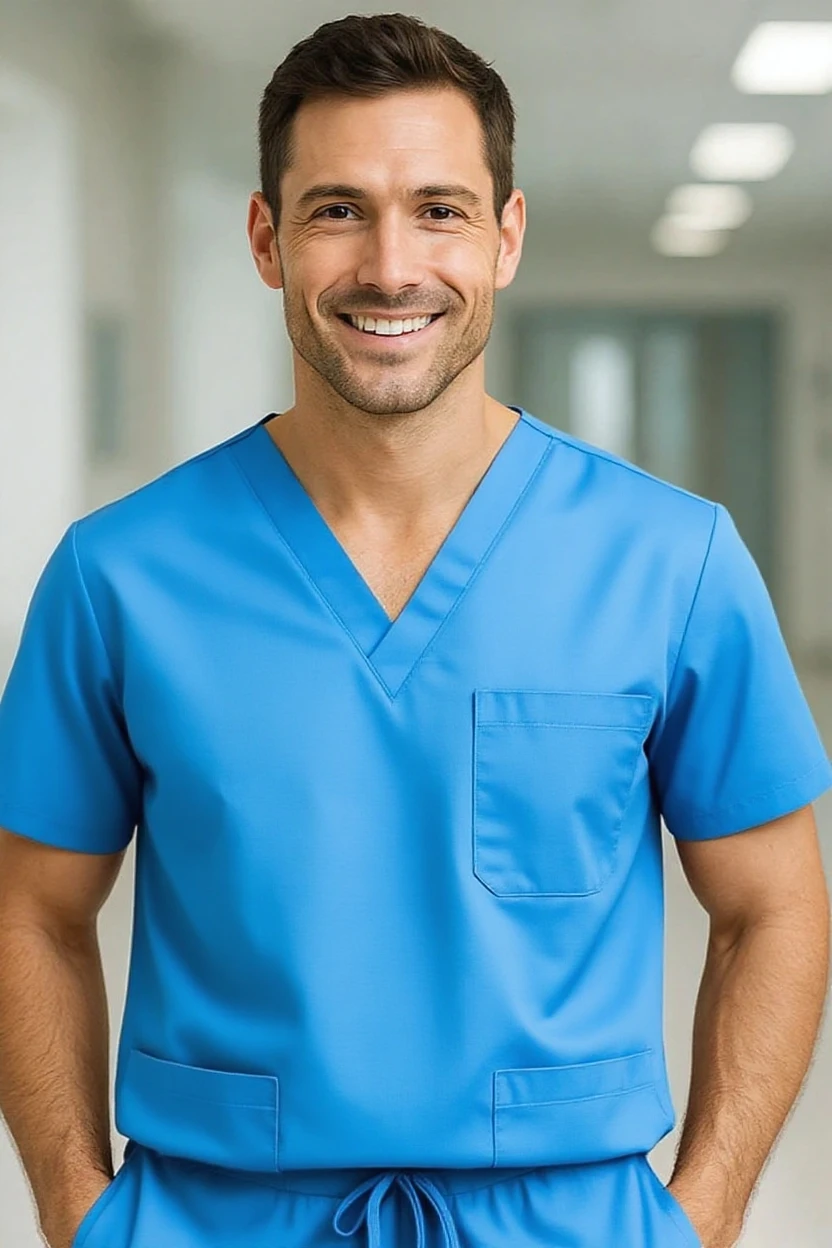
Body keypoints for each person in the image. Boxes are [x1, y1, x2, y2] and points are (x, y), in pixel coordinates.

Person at [0, 12, 830, 1248]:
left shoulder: (669, 561)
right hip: (210, 1218)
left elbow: (774, 906)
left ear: (506, 237)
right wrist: (80, 1216)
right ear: (266, 239)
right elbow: (30, 908)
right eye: (337, 210)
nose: (390, 266)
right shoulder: (121, 574)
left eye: (439, 210)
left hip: (565, 1222)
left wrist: (696, 1224)